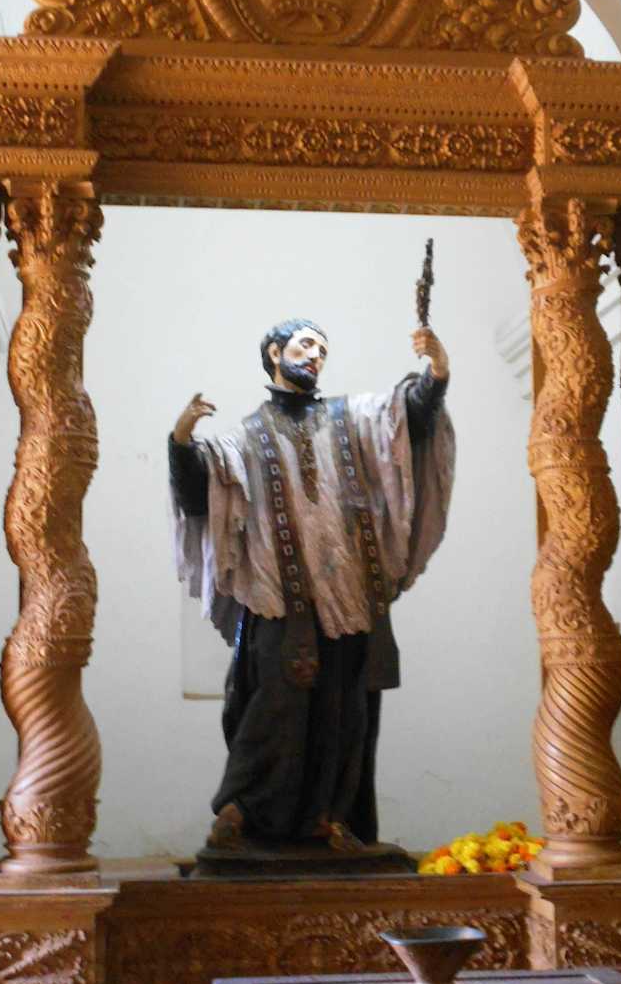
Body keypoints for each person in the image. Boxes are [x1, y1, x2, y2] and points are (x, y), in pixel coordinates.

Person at [169, 317, 454, 854]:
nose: (316, 355)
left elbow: (406, 419)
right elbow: (196, 493)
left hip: (348, 597)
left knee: (344, 710)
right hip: (279, 598)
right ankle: (240, 810)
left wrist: (436, 371)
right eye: (305, 344)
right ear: (275, 354)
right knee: (273, 705)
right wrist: (182, 441)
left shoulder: (353, 418)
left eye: (323, 348)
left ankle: (333, 818)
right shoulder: (245, 438)